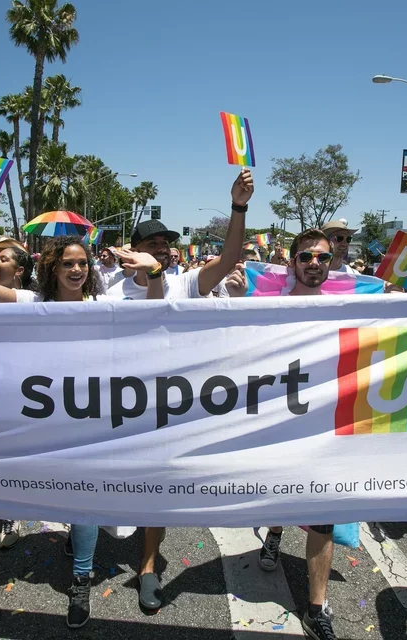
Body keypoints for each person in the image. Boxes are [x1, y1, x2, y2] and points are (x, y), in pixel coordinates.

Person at [0, 205, 160, 628]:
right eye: (68, 263)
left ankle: (81, 579)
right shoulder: (33, 302)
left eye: (82, 263)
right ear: (52, 269)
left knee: (85, 497)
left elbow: (154, 312)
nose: (76, 269)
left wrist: (155, 270)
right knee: (66, 493)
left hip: (92, 419)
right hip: (45, 420)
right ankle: (77, 543)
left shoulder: (103, 304)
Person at [107, 169, 252, 614]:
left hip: (169, 406)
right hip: (118, 405)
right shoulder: (108, 291)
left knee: (157, 484)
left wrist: (238, 206)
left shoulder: (186, 283)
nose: (163, 249)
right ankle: (85, 532)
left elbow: (228, 259)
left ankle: (148, 566)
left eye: (166, 244)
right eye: (153, 244)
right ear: (133, 250)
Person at [225, 228, 345, 640]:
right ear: (293, 262)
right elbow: (239, 345)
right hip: (277, 421)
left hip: (324, 425)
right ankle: (274, 533)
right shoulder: (270, 304)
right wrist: (237, 301)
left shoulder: (348, 307)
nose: (314, 263)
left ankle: (316, 608)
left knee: (323, 515)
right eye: (306, 256)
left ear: (331, 264)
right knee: (282, 492)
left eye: (322, 257)